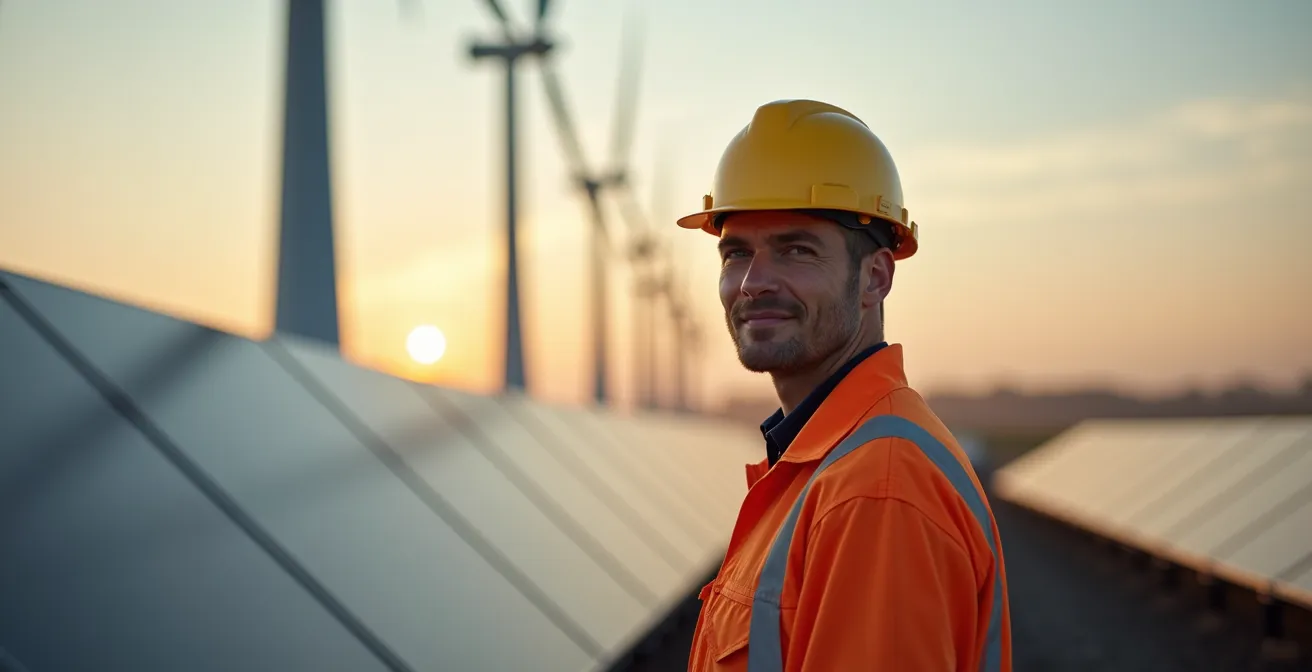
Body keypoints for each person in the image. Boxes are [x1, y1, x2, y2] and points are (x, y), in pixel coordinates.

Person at [676, 99, 1012, 672]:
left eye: (796, 250)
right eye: (736, 253)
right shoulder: (826, 466)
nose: (754, 283)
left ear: (875, 277)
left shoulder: (877, 489)